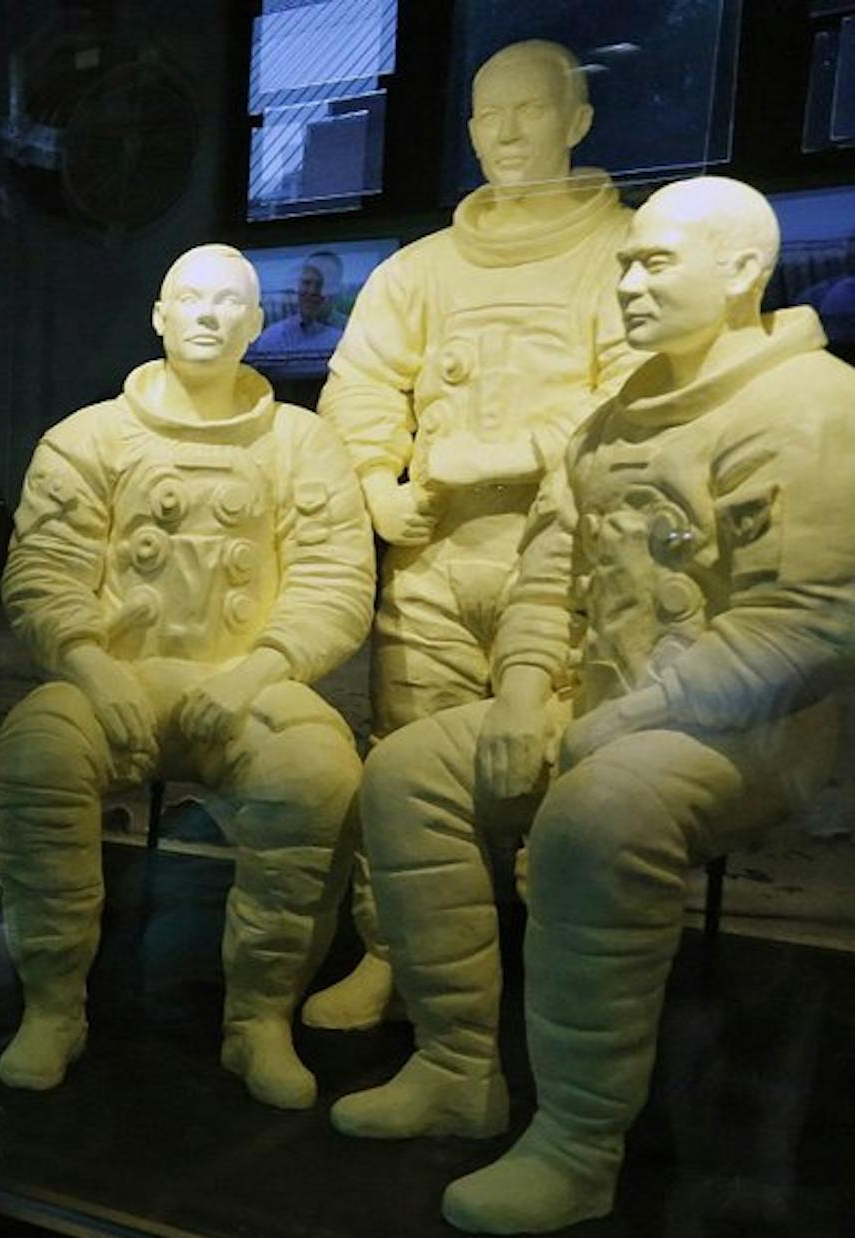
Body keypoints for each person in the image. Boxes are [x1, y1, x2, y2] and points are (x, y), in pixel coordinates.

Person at [347, 177, 855, 1233]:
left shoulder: (812, 405)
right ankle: (456, 1069)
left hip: (748, 735)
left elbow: (805, 625)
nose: (627, 281)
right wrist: (525, 690)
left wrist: (609, 726)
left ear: (742, 271)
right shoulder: (610, 418)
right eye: (625, 262)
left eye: (655, 263)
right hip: (604, 707)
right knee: (406, 773)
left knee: (598, 814)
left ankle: (578, 1144)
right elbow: (549, 571)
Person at [0, 244, 374, 1105]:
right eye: (188, 299)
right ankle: (53, 1005)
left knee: (319, 776)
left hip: (250, 691)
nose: (207, 315)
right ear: (158, 316)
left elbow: (334, 582)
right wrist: (91, 664)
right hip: (110, 686)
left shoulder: (303, 445)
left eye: (228, 302)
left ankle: (258, 1020)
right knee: (37, 753)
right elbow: (45, 570)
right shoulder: (87, 438)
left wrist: (256, 674)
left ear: (258, 324)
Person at [306, 39, 638, 1032]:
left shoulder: (625, 254)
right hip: (436, 557)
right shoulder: (422, 271)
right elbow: (361, 381)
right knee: (403, 762)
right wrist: (372, 480)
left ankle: (556, 974)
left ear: (576, 121)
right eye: (489, 113)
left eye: (530, 110)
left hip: (574, 562)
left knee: (563, 767)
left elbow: (637, 399)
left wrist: (494, 455)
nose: (505, 131)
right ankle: (396, 953)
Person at [246, 250, 345, 370]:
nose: (312, 291)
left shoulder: (349, 336)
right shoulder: (272, 338)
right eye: (306, 283)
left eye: (321, 284)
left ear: (336, 288)